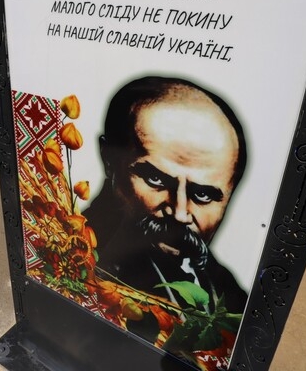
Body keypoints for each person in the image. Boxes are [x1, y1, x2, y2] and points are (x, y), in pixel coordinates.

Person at [83, 76, 248, 315]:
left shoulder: (229, 293)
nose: (179, 213)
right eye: (156, 179)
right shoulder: (73, 259)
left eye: (202, 195)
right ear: (109, 160)